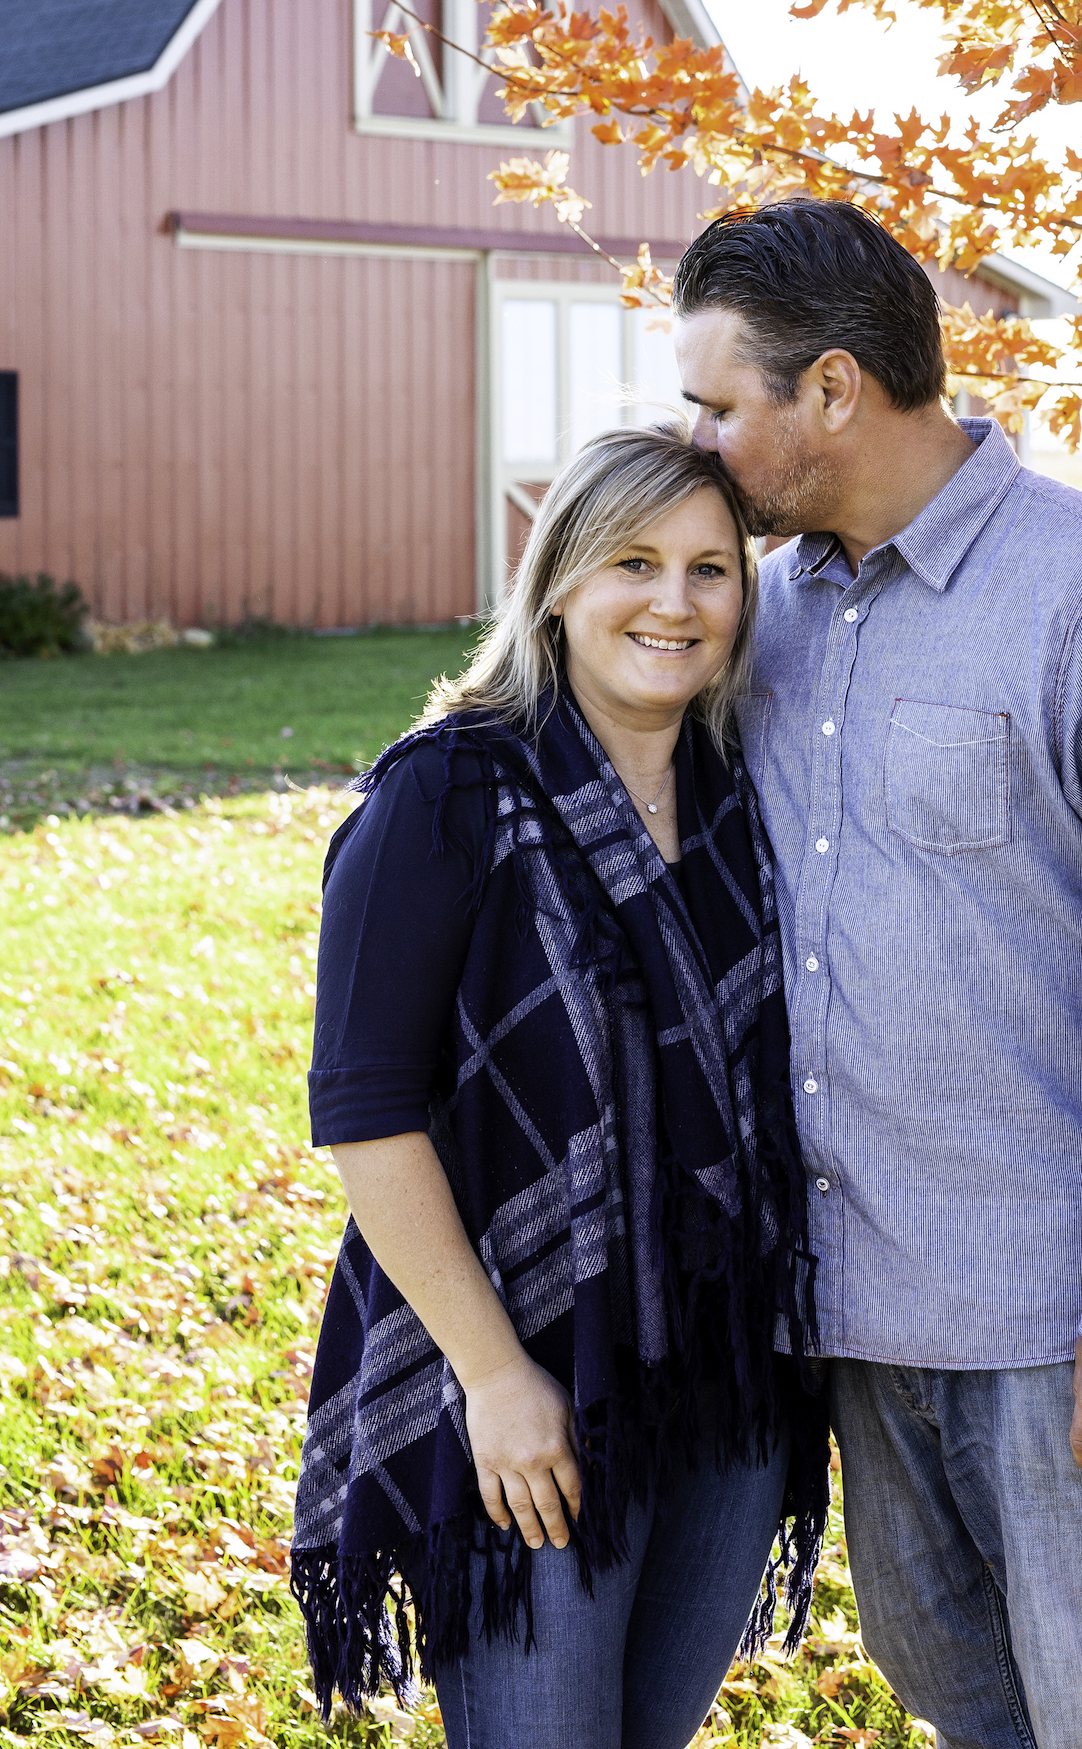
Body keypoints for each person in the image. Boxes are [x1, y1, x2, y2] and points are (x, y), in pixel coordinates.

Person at [673, 201, 1082, 1749]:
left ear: (830, 391)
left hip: (1068, 1314)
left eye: (720, 405)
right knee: (960, 1703)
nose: (701, 440)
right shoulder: (778, 609)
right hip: (866, 1308)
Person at [289, 426, 825, 1749]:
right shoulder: (448, 790)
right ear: (561, 583)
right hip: (531, 1366)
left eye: (712, 570)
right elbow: (363, 1112)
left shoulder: (738, 796)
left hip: (727, 1370)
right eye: (635, 561)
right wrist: (494, 1378)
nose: (675, 601)